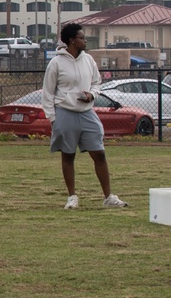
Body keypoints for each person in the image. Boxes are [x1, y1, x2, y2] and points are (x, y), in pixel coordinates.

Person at [42, 22, 126, 210]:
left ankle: (108, 197)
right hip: (65, 112)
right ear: (72, 40)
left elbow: (97, 82)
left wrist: (92, 95)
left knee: (100, 154)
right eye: (82, 37)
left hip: (87, 113)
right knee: (68, 156)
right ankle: (72, 197)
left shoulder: (88, 60)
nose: (85, 41)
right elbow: (47, 93)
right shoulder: (56, 63)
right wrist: (53, 119)